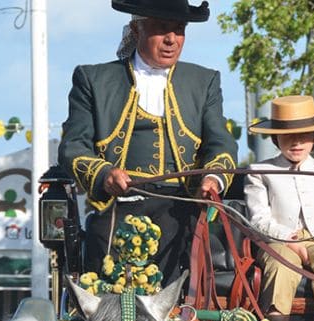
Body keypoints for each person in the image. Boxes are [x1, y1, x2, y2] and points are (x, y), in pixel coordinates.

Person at [57, 0, 238, 281]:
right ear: (136, 29)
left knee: (189, 253)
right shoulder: (93, 79)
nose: (171, 40)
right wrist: (105, 175)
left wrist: (213, 178)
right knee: (102, 254)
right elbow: (73, 146)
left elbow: (221, 143)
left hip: (180, 203)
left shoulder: (204, 81)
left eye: (179, 30)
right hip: (118, 202)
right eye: (162, 29)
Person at [245, 95, 314, 321]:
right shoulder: (260, 171)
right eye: (287, 137)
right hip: (279, 241)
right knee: (281, 266)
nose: (296, 143)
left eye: (303, 136)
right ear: (275, 139)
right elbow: (258, 218)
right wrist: (289, 239)